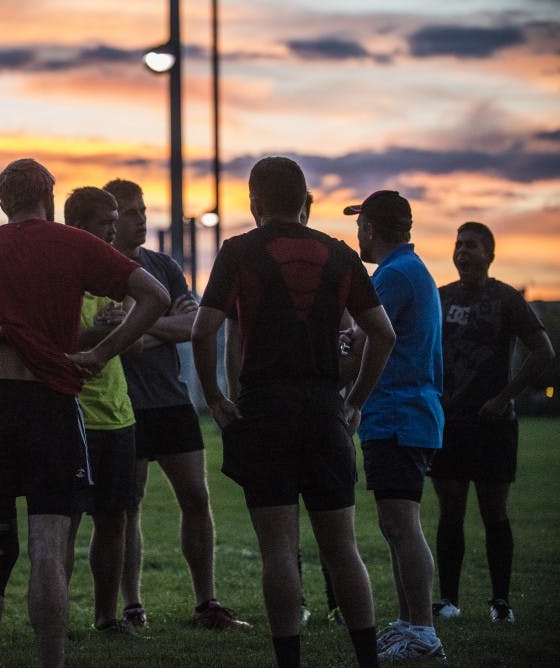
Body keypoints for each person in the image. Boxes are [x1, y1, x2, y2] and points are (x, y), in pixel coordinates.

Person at [0, 158, 169, 668]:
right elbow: (156, 296)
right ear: (49, 198)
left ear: (3, 201)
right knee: (49, 549)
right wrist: (102, 353)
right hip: (49, 404)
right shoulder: (75, 244)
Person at [193, 157, 394, 667]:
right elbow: (383, 335)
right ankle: (366, 658)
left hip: (264, 409)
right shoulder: (341, 254)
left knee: (278, 549)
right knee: (342, 548)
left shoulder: (238, 251)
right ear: (305, 200)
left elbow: (203, 329)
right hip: (324, 408)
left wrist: (216, 398)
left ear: (254, 201)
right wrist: (354, 404)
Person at [102, 178, 249, 630]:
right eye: (130, 212)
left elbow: (195, 326)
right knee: (129, 506)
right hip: (122, 406)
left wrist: (145, 329)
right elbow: (117, 337)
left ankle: (207, 603)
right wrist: (148, 328)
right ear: (111, 221)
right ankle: (132, 607)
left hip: (170, 399)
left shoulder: (162, 266)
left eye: (143, 209)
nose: (141, 218)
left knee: (196, 497)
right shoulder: (98, 270)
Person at [428, 222, 555, 622]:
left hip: (493, 425)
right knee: (450, 512)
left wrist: (505, 398)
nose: (462, 252)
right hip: (449, 423)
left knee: (494, 513)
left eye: (472, 245)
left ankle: (501, 602)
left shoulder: (507, 299)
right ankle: (448, 600)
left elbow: (542, 351)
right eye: (458, 245)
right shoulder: (441, 298)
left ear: (490, 254)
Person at [344, 189, 446, 661]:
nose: (356, 233)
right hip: (406, 413)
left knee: (403, 524)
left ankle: (422, 631)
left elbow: (362, 337)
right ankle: (409, 624)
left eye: (359, 225)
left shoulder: (394, 275)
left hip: (399, 415)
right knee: (395, 523)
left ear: (370, 229)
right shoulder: (407, 270)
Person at [63, 187, 142, 635]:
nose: (114, 229)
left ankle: (106, 617)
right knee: (65, 524)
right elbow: (49, 341)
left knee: (114, 522)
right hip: (76, 415)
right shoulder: (62, 277)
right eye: (105, 222)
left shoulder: (117, 277)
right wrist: (95, 334)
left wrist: (118, 332)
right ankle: (56, 613)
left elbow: (145, 326)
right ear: (79, 226)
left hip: (119, 415)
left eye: (116, 220)